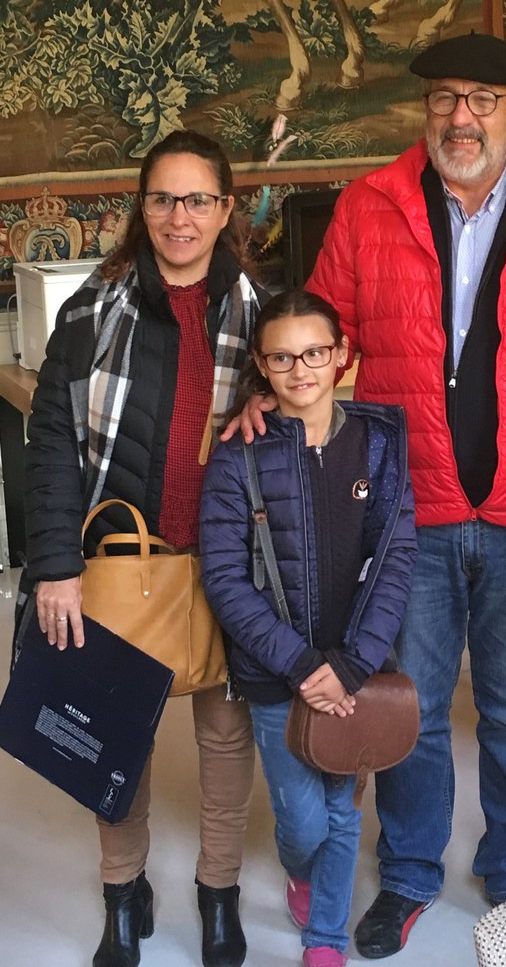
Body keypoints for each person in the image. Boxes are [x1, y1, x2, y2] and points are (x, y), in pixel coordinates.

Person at [231, 32, 506, 956]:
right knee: (413, 702)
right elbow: (321, 336)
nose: (462, 117)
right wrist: (261, 393)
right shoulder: (369, 208)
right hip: (412, 508)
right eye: (444, 98)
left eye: (483, 99)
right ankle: (408, 871)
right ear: (425, 111)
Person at [23, 130, 265, 967]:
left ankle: (219, 891)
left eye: (198, 199)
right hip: (117, 560)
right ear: (142, 205)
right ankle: (123, 893)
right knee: (112, 731)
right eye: (163, 198)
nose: (179, 217)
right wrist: (55, 564)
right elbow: (50, 436)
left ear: (226, 209)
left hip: (227, 563)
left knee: (227, 740)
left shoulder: (261, 315)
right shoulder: (94, 309)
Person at [199, 289, 416, 967]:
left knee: (345, 812)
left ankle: (325, 937)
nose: (301, 370)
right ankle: (300, 868)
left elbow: (395, 560)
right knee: (302, 819)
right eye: (283, 358)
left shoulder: (379, 445)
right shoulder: (239, 455)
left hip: (354, 669)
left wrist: (352, 664)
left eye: (315, 353)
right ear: (262, 368)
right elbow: (226, 578)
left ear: (342, 356)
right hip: (276, 673)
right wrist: (299, 666)